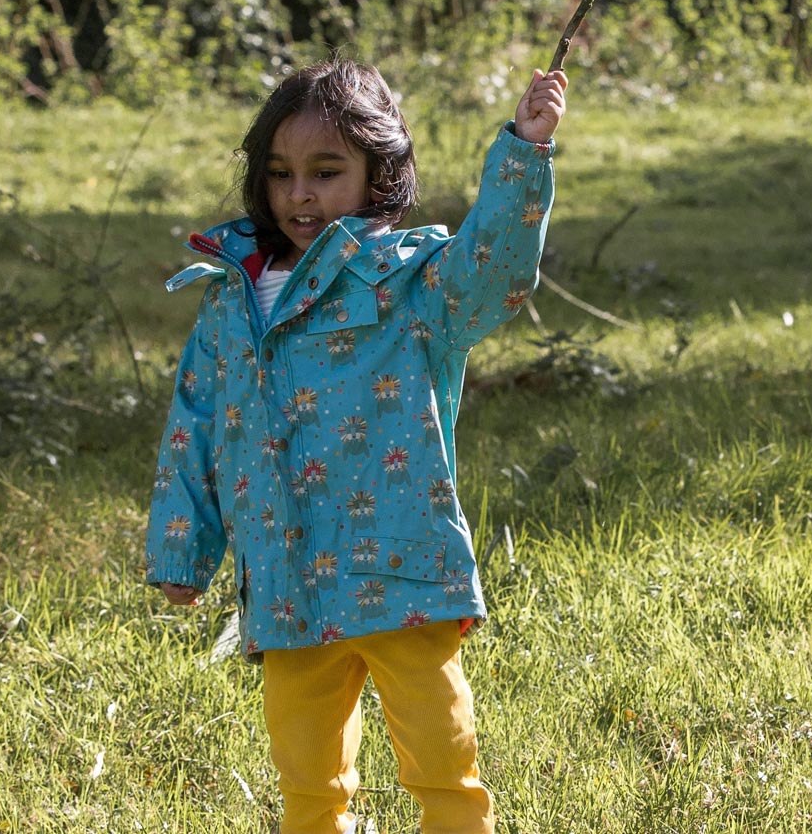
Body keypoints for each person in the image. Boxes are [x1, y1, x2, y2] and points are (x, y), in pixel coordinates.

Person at [144, 56, 567, 834]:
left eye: (326, 171)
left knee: (443, 761)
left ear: (380, 175)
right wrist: (182, 553)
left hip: (399, 565)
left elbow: (495, 271)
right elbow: (195, 428)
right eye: (280, 173)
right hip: (285, 577)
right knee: (306, 777)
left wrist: (524, 152)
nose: (299, 193)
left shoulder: (408, 284)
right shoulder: (227, 301)